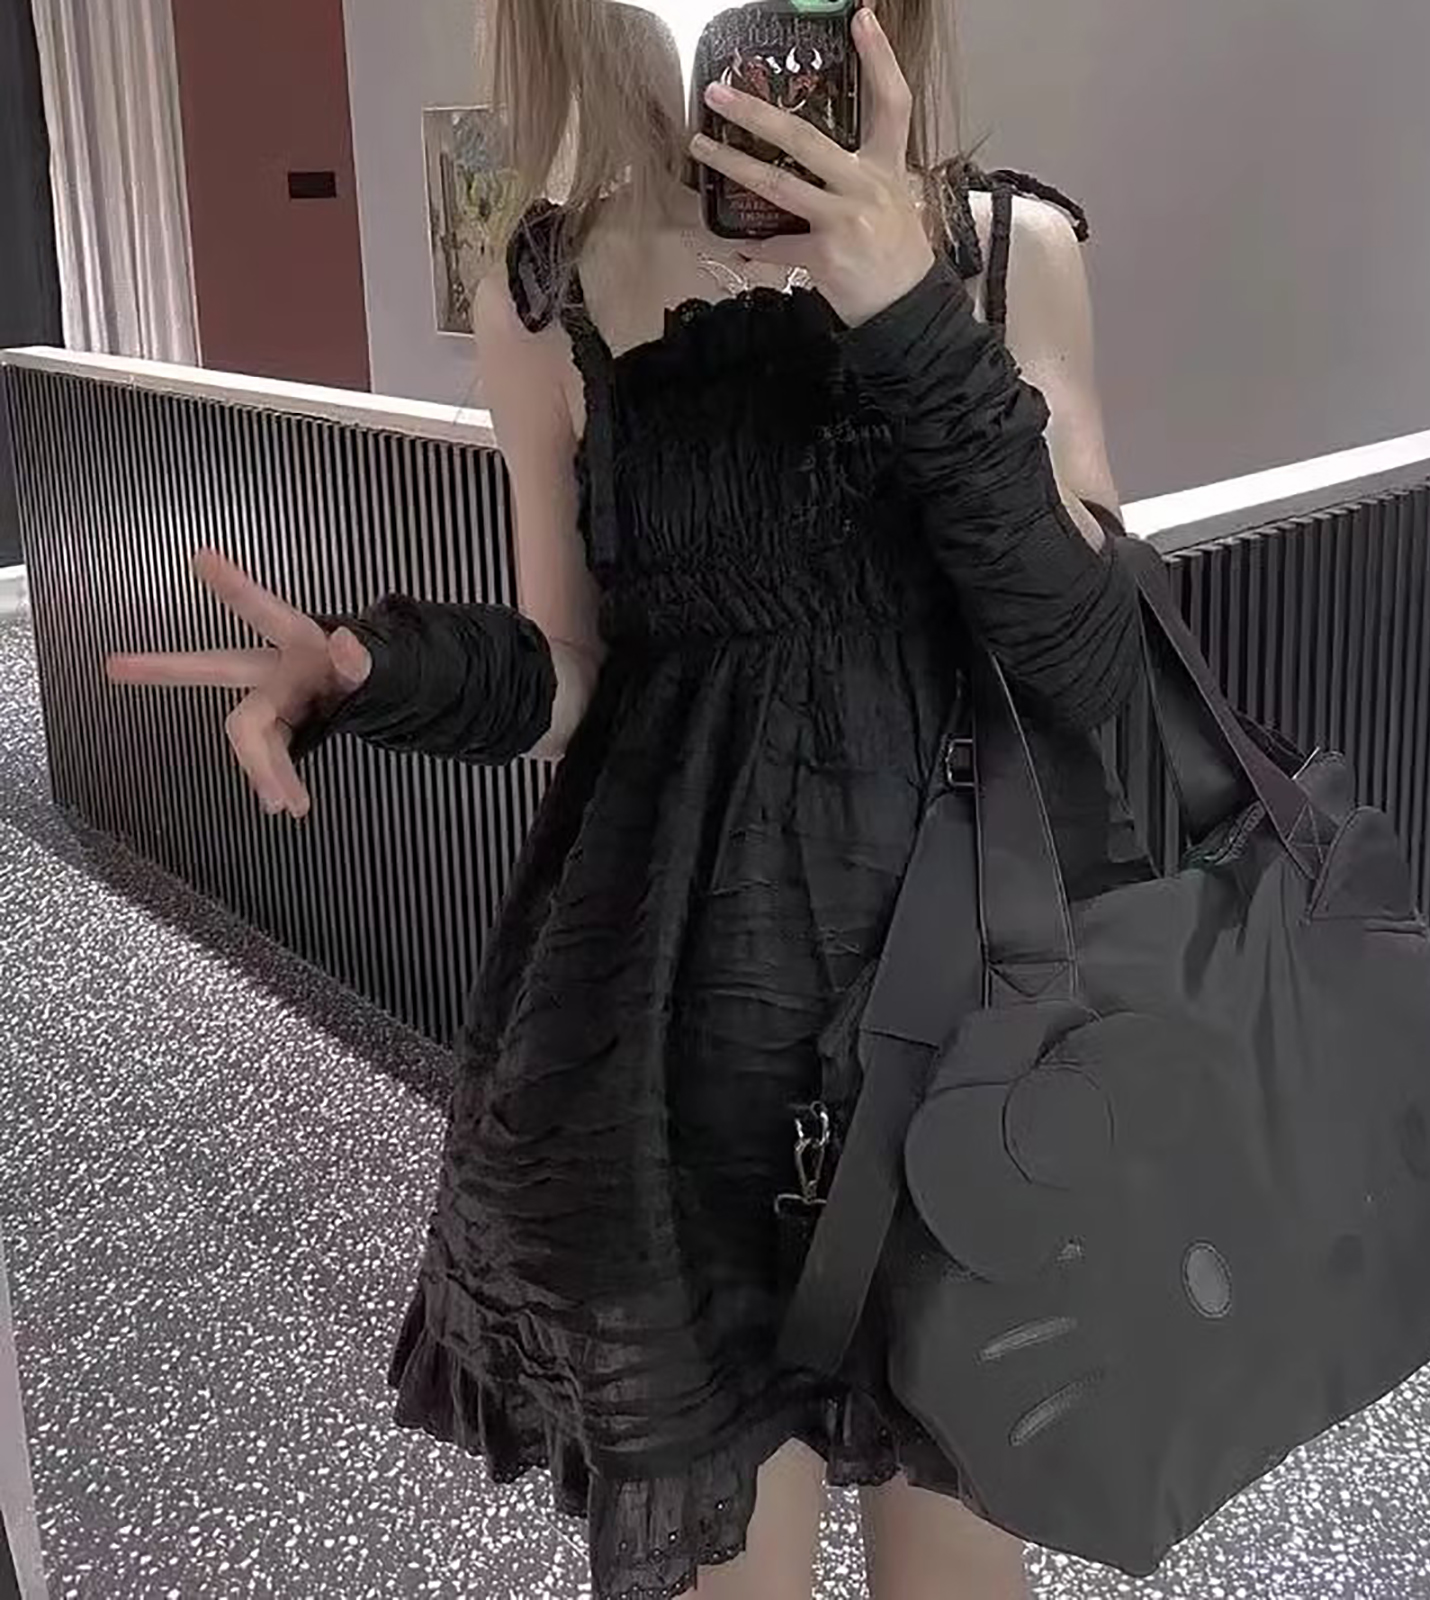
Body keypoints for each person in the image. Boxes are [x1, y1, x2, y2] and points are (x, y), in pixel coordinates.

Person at [108, 2, 1146, 1594]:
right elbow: (575, 668)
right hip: (683, 1025)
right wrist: (382, 671)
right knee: (722, 1543)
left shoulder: (1007, 252)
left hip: (971, 1012)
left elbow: (1091, 661)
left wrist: (910, 311)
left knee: (959, 1538)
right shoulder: (549, 285)